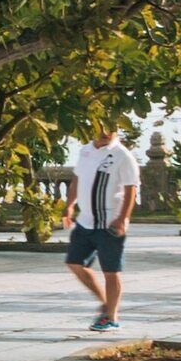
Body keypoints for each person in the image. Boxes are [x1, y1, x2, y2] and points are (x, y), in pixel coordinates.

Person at [66, 125, 138, 331]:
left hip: (110, 223)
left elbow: (130, 189)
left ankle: (111, 317)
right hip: (85, 221)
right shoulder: (85, 150)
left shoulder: (122, 155)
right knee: (75, 263)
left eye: (111, 128)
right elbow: (77, 178)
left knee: (111, 271)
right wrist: (69, 205)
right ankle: (106, 303)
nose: (106, 132)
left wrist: (122, 218)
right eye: (101, 127)